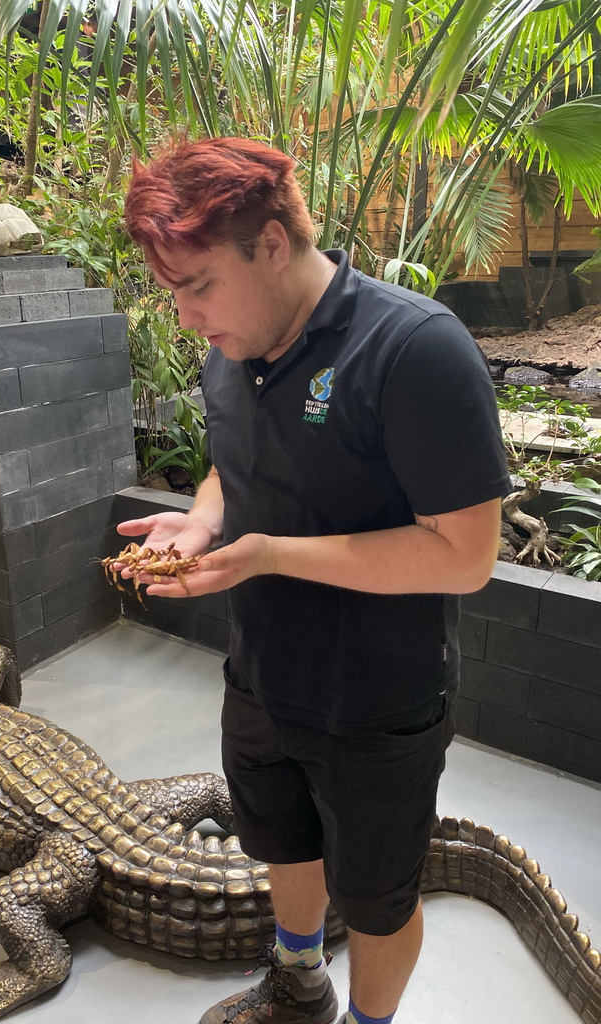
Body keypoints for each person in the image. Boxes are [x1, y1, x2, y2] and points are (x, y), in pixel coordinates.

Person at [120, 137, 511, 1024]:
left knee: (376, 900)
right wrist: (207, 519)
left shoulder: (414, 348)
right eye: (172, 292)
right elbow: (233, 463)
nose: (185, 319)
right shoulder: (233, 345)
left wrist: (269, 553)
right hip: (260, 671)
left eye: (198, 285)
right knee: (282, 845)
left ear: (269, 243)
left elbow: (465, 554)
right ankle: (299, 984)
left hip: (377, 700)